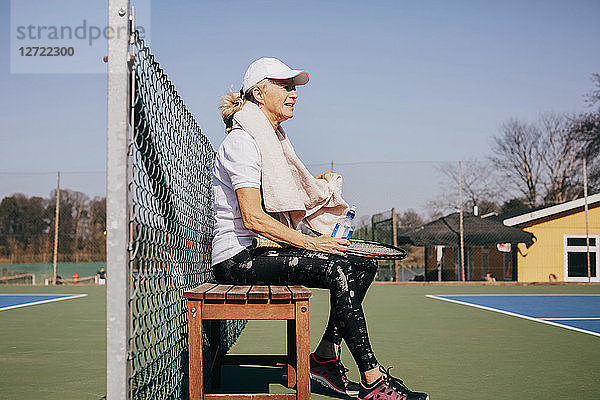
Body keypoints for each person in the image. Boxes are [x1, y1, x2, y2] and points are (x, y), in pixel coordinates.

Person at [212, 57, 428, 400]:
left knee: (363, 264)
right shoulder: (243, 142)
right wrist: (314, 244)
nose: (293, 93)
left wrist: (317, 185)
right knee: (336, 269)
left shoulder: (271, 140)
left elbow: (278, 192)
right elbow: (253, 217)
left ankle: (325, 356)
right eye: (284, 85)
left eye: (294, 86)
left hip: (258, 252)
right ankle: (372, 382)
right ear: (258, 92)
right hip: (237, 260)